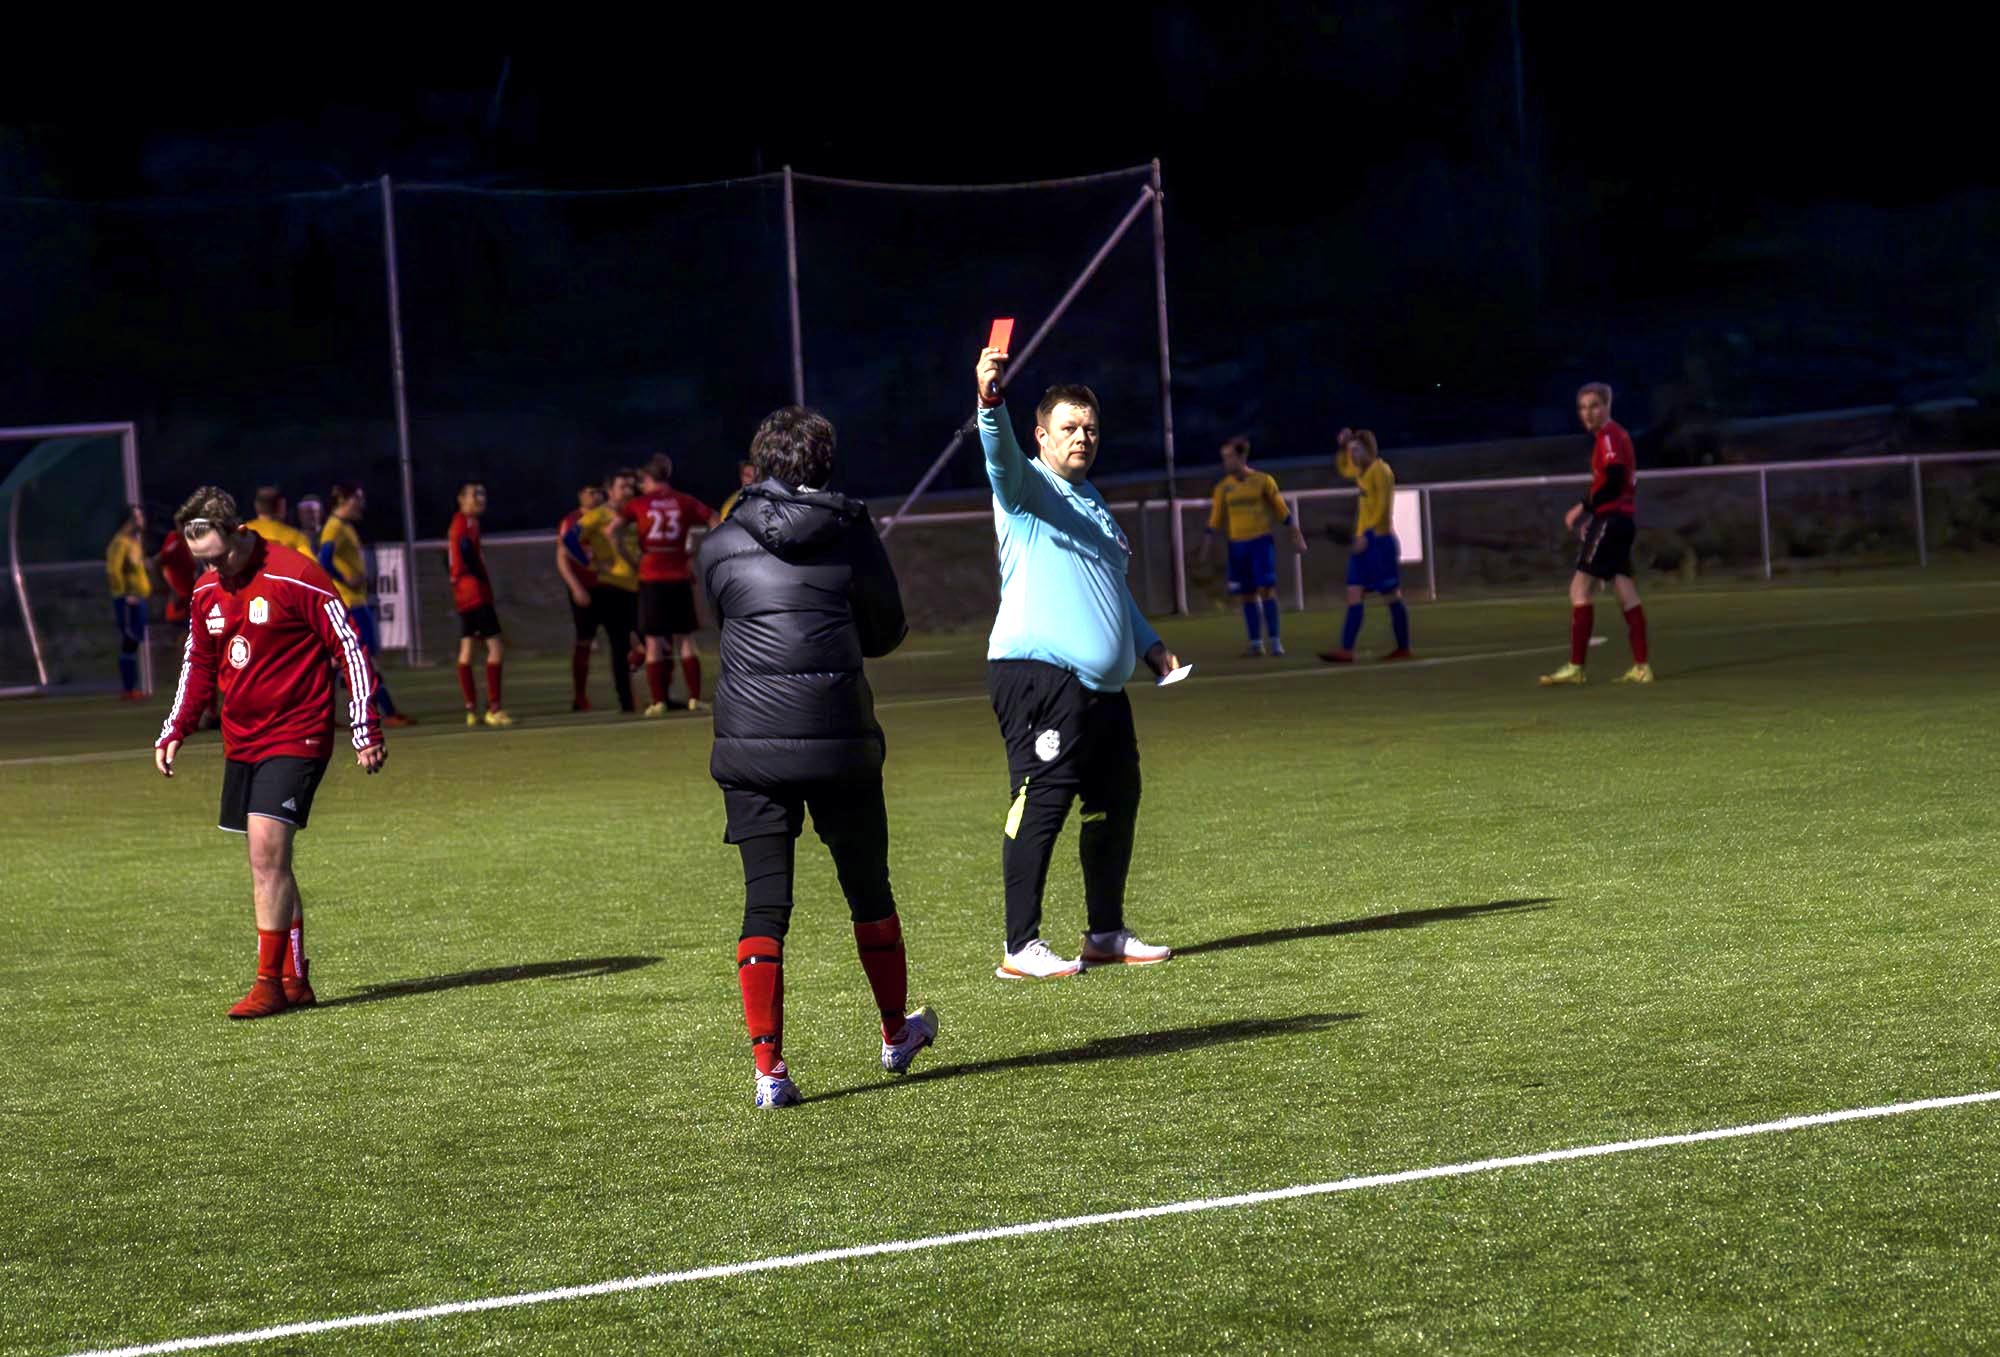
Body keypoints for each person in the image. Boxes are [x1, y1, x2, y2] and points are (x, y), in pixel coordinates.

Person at [699, 406, 935, 1109]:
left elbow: (724, 616)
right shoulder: (851, 528)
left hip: (750, 745)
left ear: (759, 465)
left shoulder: (717, 541)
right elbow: (886, 629)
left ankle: (769, 1071)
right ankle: (895, 1033)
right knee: (869, 890)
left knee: (764, 902)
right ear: (827, 464)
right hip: (839, 739)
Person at [974, 343, 1178, 981]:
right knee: (1042, 799)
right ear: (1042, 435)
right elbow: (1000, 458)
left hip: (1102, 687)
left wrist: (1150, 647)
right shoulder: (1029, 488)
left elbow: (1114, 593)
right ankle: (1020, 946)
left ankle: (1105, 933)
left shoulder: (1094, 502)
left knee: (1117, 798)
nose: (1082, 437)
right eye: (1069, 428)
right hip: (1038, 675)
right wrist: (990, 401)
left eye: (1090, 428)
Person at [153, 486, 385, 1019]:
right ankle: (295, 979)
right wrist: (175, 730)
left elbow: (349, 648)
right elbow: (199, 668)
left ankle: (269, 986)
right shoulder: (207, 589)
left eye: (207, 543)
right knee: (270, 864)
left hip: (297, 733)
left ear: (233, 530)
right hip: (243, 739)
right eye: (193, 547)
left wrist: (364, 726)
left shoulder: (294, 574)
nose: (202, 559)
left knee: (265, 857)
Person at [1541, 382, 1652, 686]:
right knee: (1625, 590)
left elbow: (1614, 479)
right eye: (1582, 407)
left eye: (1594, 405)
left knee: (1579, 589)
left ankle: (1576, 667)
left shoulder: (1609, 436)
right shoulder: (1613, 436)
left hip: (1613, 520)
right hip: (1619, 520)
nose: (1587, 413)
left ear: (1607, 406)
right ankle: (1642, 667)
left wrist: (1582, 508)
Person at [621, 454, 716, 715]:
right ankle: (695, 698)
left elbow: (612, 530)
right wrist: (715, 549)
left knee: (653, 641)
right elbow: (713, 518)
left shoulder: (639, 504)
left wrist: (631, 558)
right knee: (685, 639)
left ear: (648, 479)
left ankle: (658, 701)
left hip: (651, 576)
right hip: (678, 577)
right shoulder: (684, 501)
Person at [319, 484, 414, 728]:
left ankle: (322, 716)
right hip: (351, 605)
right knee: (364, 660)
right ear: (346, 500)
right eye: (358, 500)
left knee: (341, 662)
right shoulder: (334, 527)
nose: (362, 505)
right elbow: (324, 561)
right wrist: (345, 579)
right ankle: (388, 712)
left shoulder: (343, 527)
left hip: (354, 602)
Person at [1317, 428, 1414, 663]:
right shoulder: (1361, 471)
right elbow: (1343, 468)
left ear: (1369, 450)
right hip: (1364, 542)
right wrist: (1343, 447)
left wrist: (1367, 536)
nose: (1352, 456)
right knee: (1353, 591)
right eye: (1351, 451)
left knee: (1391, 595)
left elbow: (1383, 509)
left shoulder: (1381, 471)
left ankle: (1403, 648)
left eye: (1356, 450)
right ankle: (1346, 650)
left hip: (1379, 542)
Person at [1203, 435, 1306, 656]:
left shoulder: (1263, 481)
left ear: (1241, 457)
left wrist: (1296, 533)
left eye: (1229, 457)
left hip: (1260, 542)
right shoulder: (1223, 488)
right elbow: (1215, 518)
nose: (1226, 462)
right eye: (1224, 458)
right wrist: (1207, 544)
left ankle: (1275, 641)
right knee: (1247, 594)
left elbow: (1281, 510)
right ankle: (1255, 644)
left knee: (1267, 590)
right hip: (1237, 546)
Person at [448, 481, 512, 725]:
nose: (480, 499)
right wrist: (480, 574)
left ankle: (471, 710)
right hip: (474, 593)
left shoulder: (464, 522)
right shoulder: (464, 523)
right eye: (475, 495)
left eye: (482, 494)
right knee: (495, 648)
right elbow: (464, 549)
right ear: (461, 499)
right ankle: (494, 709)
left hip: (463, 595)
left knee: (467, 649)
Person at [579, 469, 642, 713]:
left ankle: (660, 696)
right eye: (623, 486)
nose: (628, 491)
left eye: (631, 486)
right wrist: (591, 562)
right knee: (619, 646)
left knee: (654, 641)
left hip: (641, 585)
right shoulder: (597, 516)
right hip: (613, 588)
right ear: (610, 491)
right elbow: (570, 540)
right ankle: (626, 702)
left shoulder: (635, 512)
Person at [556, 483, 607, 711]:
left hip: (610, 587)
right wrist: (576, 587)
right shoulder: (573, 521)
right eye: (589, 492)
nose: (593, 496)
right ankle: (580, 697)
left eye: (597, 492)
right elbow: (563, 555)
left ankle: (635, 694)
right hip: (586, 588)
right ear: (580, 495)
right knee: (584, 641)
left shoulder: (609, 517)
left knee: (630, 639)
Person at [105, 504, 151, 700]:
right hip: (128, 600)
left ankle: (132, 687)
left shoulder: (134, 543)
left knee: (134, 640)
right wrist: (125, 594)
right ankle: (128, 688)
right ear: (129, 520)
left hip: (139, 599)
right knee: (129, 641)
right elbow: (113, 571)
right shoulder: (119, 543)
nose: (142, 521)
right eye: (139, 517)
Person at [247, 487, 315, 559]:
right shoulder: (296, 537)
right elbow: (313, 566)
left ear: (256, 505)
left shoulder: (243, 532)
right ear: (281, 505)